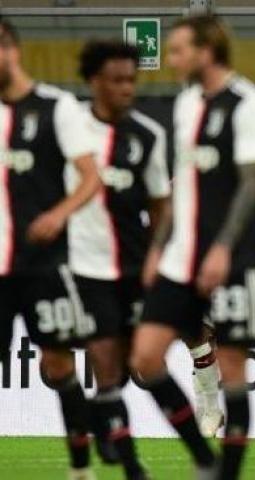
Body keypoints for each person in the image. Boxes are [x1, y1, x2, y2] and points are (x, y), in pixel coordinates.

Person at [129, 15, 255, 479]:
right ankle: (202, 455)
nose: (170, 60)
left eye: (177, 50)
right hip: (179, 258)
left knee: (233, 370)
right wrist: (158, 248)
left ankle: (225, 473)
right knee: (146, 358)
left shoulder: (250, 104)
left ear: (206, 51)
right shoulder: (187, 103)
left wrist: (223, 249)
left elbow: (251, 187)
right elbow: (185, 185)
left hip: (232, 261)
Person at [0, 19, 102, 479]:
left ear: (10, 49)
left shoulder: (56, 108)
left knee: (57, 364)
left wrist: (58, 215)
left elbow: (90, 176)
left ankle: (80, 469)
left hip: (45, 264)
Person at [72, 39, 172, 478]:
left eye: (132, 80)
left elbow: (161, 207)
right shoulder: (69, 131)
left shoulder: (147, 136)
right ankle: (125, 462)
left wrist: (157, 257)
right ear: (95, 82)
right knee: (83, 364)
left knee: (133, 367)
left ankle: (109, 432)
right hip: (81, 268)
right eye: (117, 79)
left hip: (132, 268)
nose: (126, 88)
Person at [189, 223, 255, 438]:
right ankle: (209, 409)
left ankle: (213, 413)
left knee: (226, 353)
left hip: (236, 270)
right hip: (199, 267)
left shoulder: (243, 190)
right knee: (196, 338)